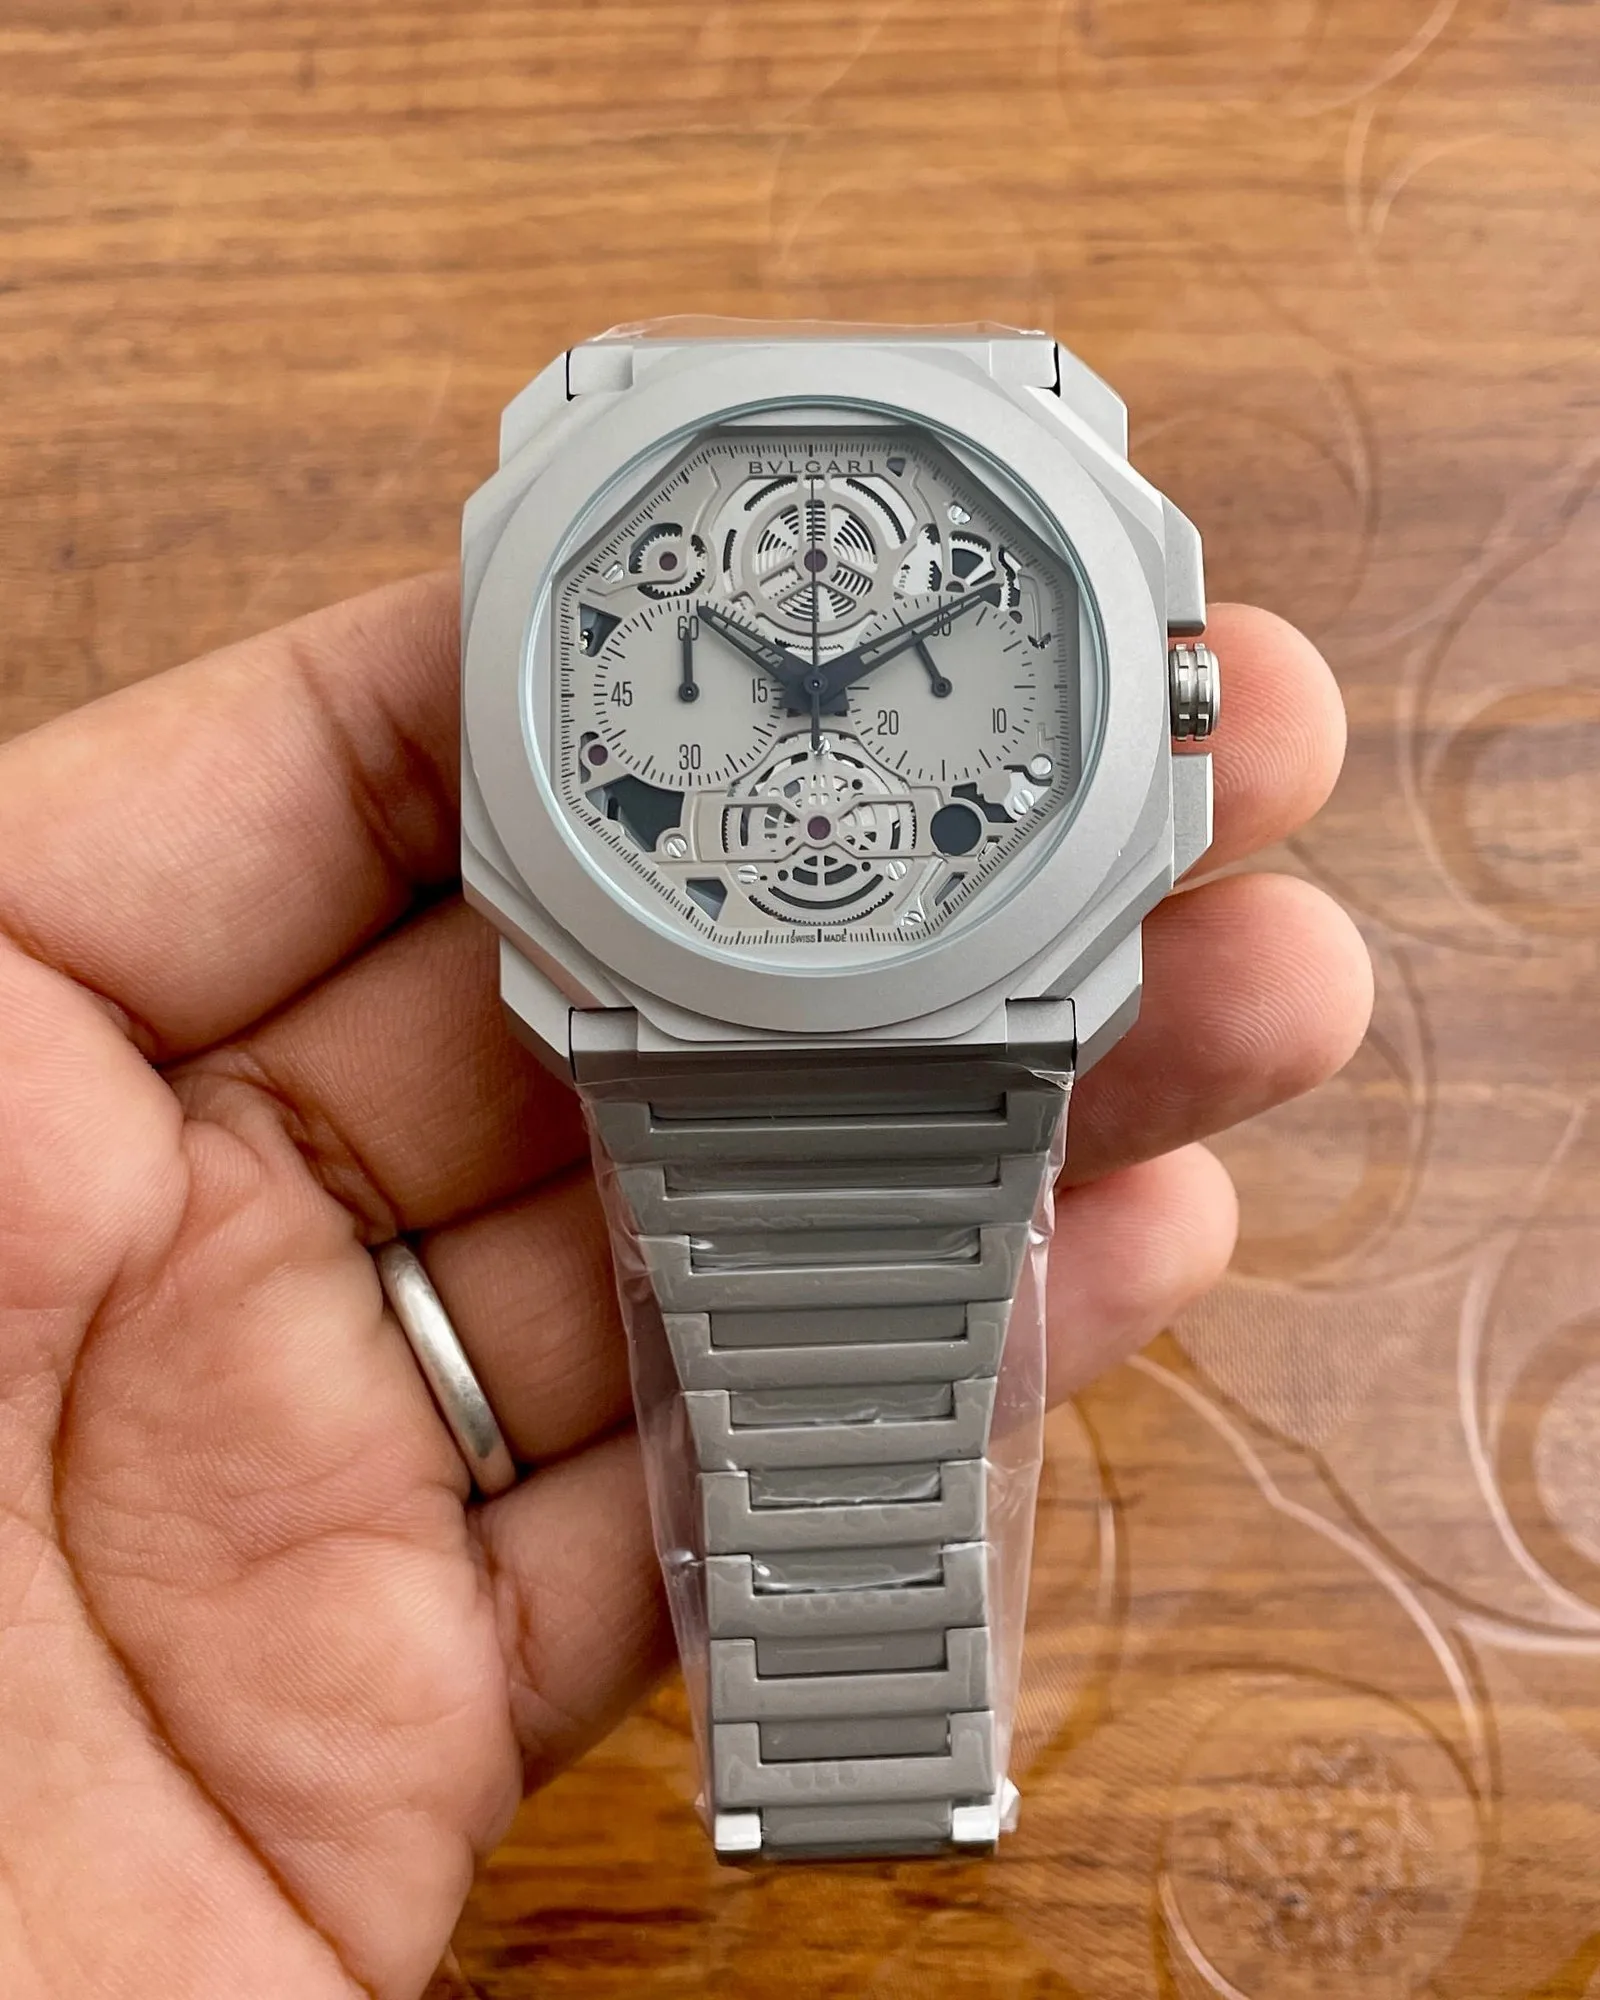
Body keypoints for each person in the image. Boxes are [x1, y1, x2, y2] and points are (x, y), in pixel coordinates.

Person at [0, 571, 1370, 1998]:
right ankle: (844, 1772)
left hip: (856, 1018)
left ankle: (876, 1767)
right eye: (775, 683)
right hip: (773, 1018)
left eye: (860, 678)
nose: (822, 705)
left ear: (1165, 699)